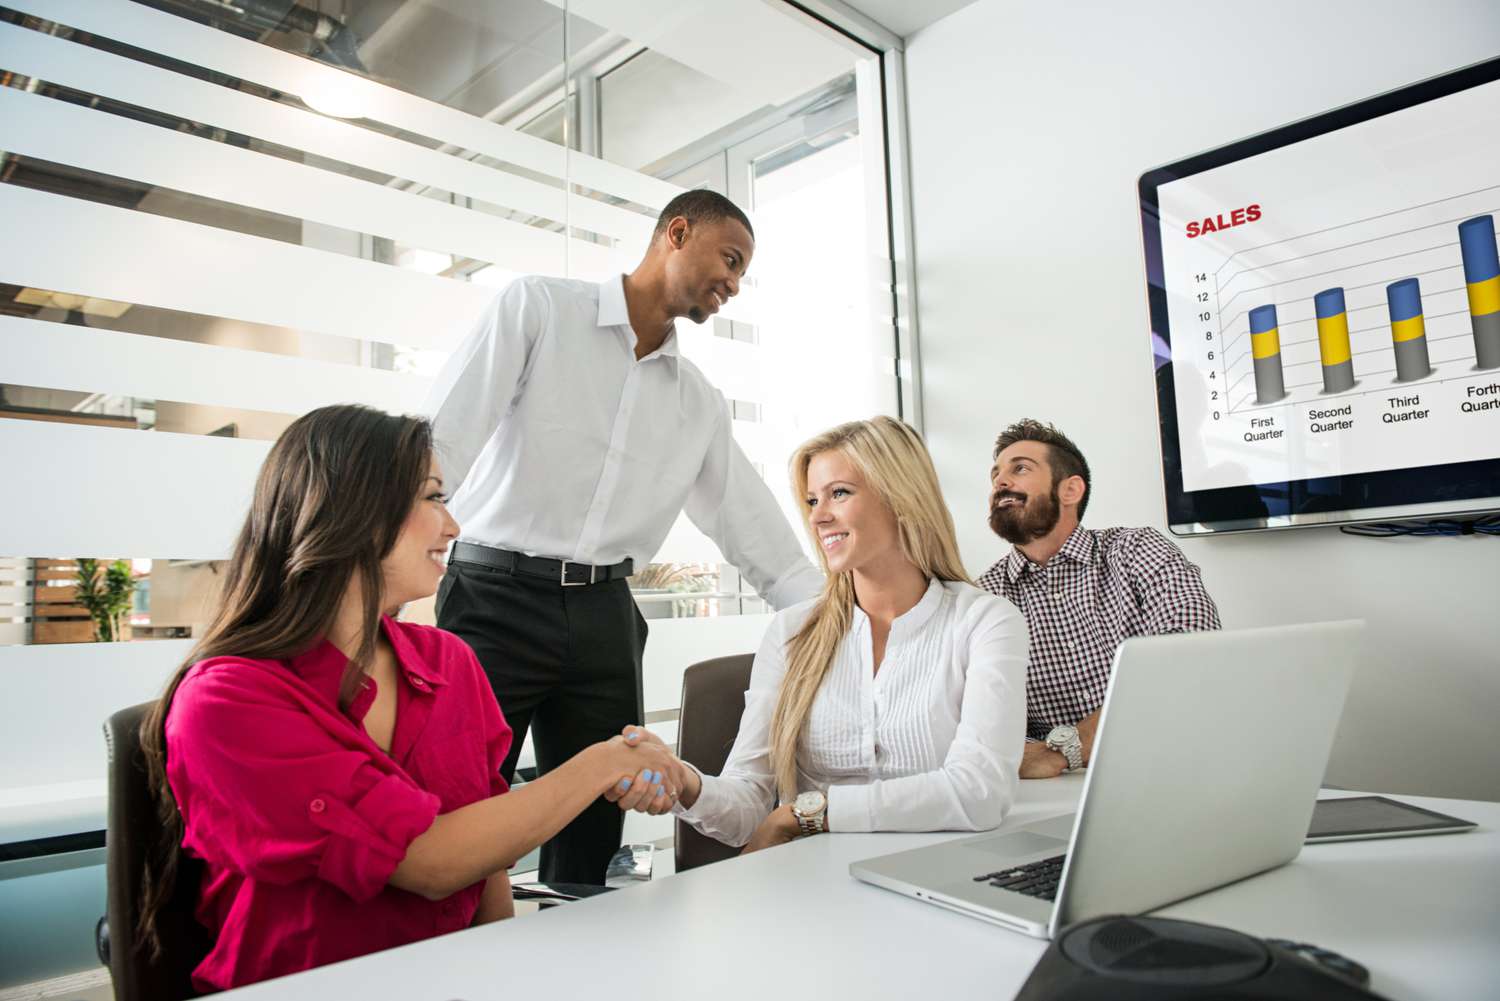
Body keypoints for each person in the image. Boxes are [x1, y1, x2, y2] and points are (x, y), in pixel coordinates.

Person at [138, 405, 674, 992]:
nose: (453, 527)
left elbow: (484, 852)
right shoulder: (228, 701)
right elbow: (431, 863)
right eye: (432, 498)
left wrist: (496, 974)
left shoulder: (450, 661)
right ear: (352, 510)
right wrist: (606, 763)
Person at [424, 190, 822, 883]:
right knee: (459, 810)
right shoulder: (540, 310)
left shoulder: (696, 400)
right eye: (729, 259)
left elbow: (753, 528)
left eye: (741, 272)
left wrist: (846, 613)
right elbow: (444, 440)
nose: (732, 282)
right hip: (493, 598)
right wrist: (382, 554)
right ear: (676, 232)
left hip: (604, 615)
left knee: (593, 834)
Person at [612, 417, 1029, 850]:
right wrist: (686, 783)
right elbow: (748, 805)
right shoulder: (793, 633)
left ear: (901, 498)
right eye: (812, 500)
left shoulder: (985, 622)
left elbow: (981, 793)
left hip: (937, 873)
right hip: (814, 884)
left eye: (839, 494)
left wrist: (808, 815)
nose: (818, 516)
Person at [977, 419, 1221, 780]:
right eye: (996, 474)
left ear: (1071, 490)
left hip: (1172, 767)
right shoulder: (985, 596)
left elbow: (1188, 657)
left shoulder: (1136, 550)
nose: (1000, 482)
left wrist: (1064, 750)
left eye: (1021, 468)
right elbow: (981, 717)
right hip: (1045, 789)